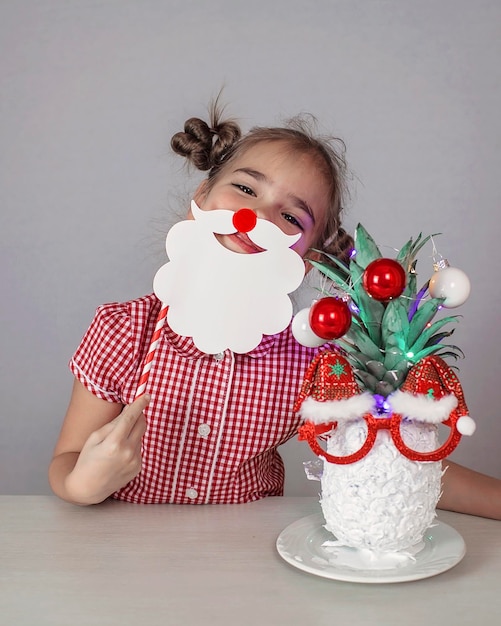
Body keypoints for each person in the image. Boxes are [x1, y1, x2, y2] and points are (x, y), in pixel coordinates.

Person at [49, 102, 501, 519]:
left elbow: (394, 458)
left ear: (306, 257)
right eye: (245, 188)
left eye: (291, 218)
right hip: (120, 553)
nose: (260, 217)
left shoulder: (309, 362)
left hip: (246, 564)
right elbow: (65, 461)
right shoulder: (123, 330)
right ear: (203, 197)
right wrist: (81, 485)